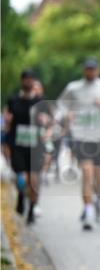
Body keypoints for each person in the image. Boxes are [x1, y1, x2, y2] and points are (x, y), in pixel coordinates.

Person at [56, 57, 100, 231]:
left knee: (99, 175)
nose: (90, 72)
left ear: (98, 70)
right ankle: (89, 210)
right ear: (84, 70)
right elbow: (60, 105)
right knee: (86, 172)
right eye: (87, 69)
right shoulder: (73, 88)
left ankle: (98, 200)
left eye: (93, 69)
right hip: (81, 136)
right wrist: (66, 114)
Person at [4, 69, 50, 224]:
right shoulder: (13, 100)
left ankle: (31, 207)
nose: (28, 82)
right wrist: (5, 143)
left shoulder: (41, 101)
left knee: (34, 179)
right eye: (26, 79)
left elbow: (50, 123)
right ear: (22, 81)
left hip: (35, 146)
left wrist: (46, 126)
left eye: (31, 79)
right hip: (17, 144)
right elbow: (8, 123)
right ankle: (21, 196)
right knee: (21, 177)